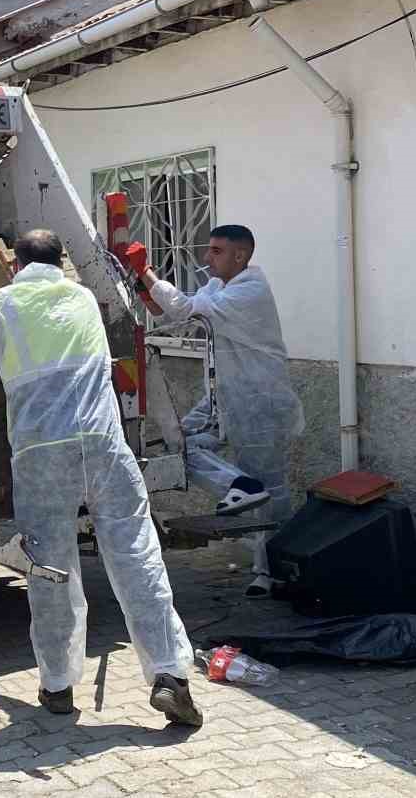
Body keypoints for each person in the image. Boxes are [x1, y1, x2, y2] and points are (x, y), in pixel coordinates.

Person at [0, 230, 202, 726]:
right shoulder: (82, 299)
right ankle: (170, 675)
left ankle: (57, 685)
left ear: (15, 265)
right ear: (61, 262)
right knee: (137, 557)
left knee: (50, 567)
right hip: (103, 445)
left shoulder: (2, 303)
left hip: (42, 454)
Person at [134, 225, 304, 599]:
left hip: (259, 401)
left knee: (270, 489)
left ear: (239, 256)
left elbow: (182, 307)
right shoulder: (218, 287)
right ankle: (238, 486)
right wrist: (145, 285)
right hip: (224, 398)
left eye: (216, 251)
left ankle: (271, 571)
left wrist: (146, 271)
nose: (206, 258)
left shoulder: (250, 291)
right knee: (179, 446)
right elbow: (179, 313)